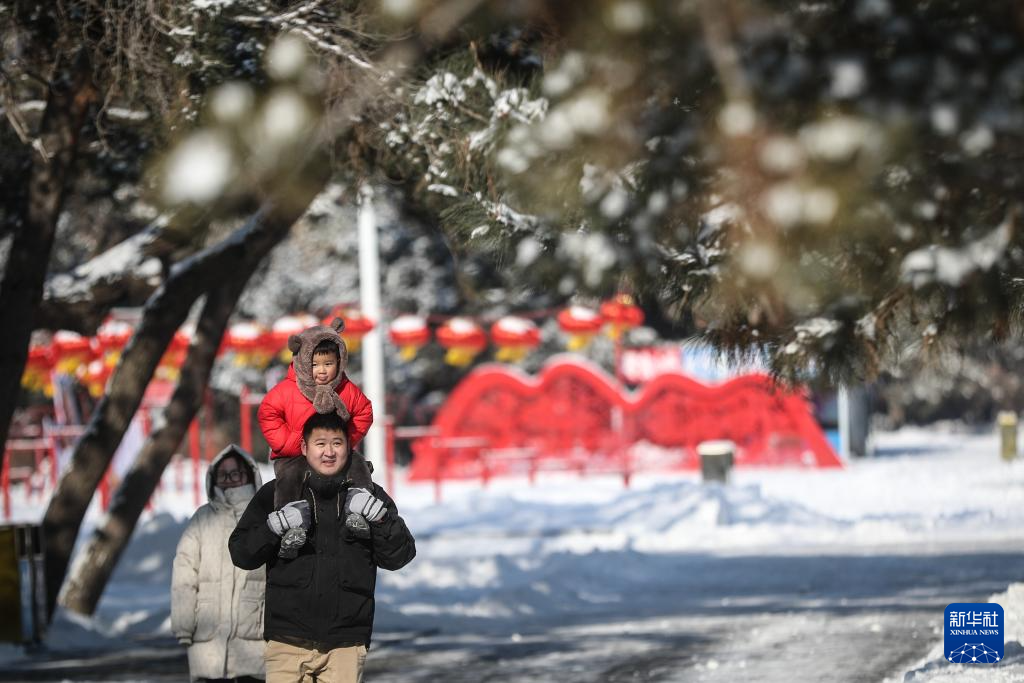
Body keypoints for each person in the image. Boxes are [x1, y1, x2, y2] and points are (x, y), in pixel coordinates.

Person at [229, 412, 416, 683]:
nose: (329, 452)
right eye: (320, 443)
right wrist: (274, 525)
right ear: (305, 448)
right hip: (287, 640)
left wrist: (381, 519)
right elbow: (241, 553)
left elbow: (400, 555)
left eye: (337, 443)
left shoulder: (369, 495)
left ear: (348, 446)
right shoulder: (277, 493)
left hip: (346, 642)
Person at [257, 317, 375, 556]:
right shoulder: (287, 390)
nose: (322, 371)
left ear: (339, 362)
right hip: (294, 454)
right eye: (315, 364)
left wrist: (345, 441)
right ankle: (292, 521)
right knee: (289, 478)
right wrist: (290, 443)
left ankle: (358, 507)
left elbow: (364, 411)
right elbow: (267, 414)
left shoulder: (345, 389)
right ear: (301, 361)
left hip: (333, 455)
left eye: (328, 364)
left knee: (359, 465)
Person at [172, 445, 267, 683]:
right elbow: (184, 573)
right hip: (208, 636)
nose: (230, 480)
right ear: (213, 478)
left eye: (236, 473)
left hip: (255, 634)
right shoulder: (202, 518)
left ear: (249, 475)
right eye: (223, 474)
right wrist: (184, 623)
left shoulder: (263, 517)